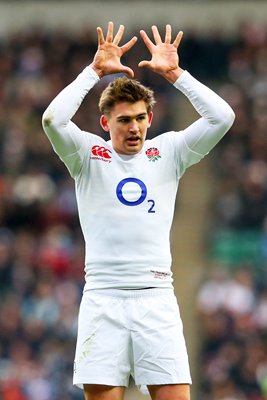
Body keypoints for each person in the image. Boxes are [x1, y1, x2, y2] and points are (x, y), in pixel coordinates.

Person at [42, 21, 235, 400]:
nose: (135, 128)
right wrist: (93, 71)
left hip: (156, 296)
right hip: (103, 297)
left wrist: (177, 75)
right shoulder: (86, 155)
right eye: (124, 120)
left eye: (141, 118)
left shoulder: (169, 151)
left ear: (150, 117)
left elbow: (222, 117)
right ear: (105, 123)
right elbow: (52, 119)